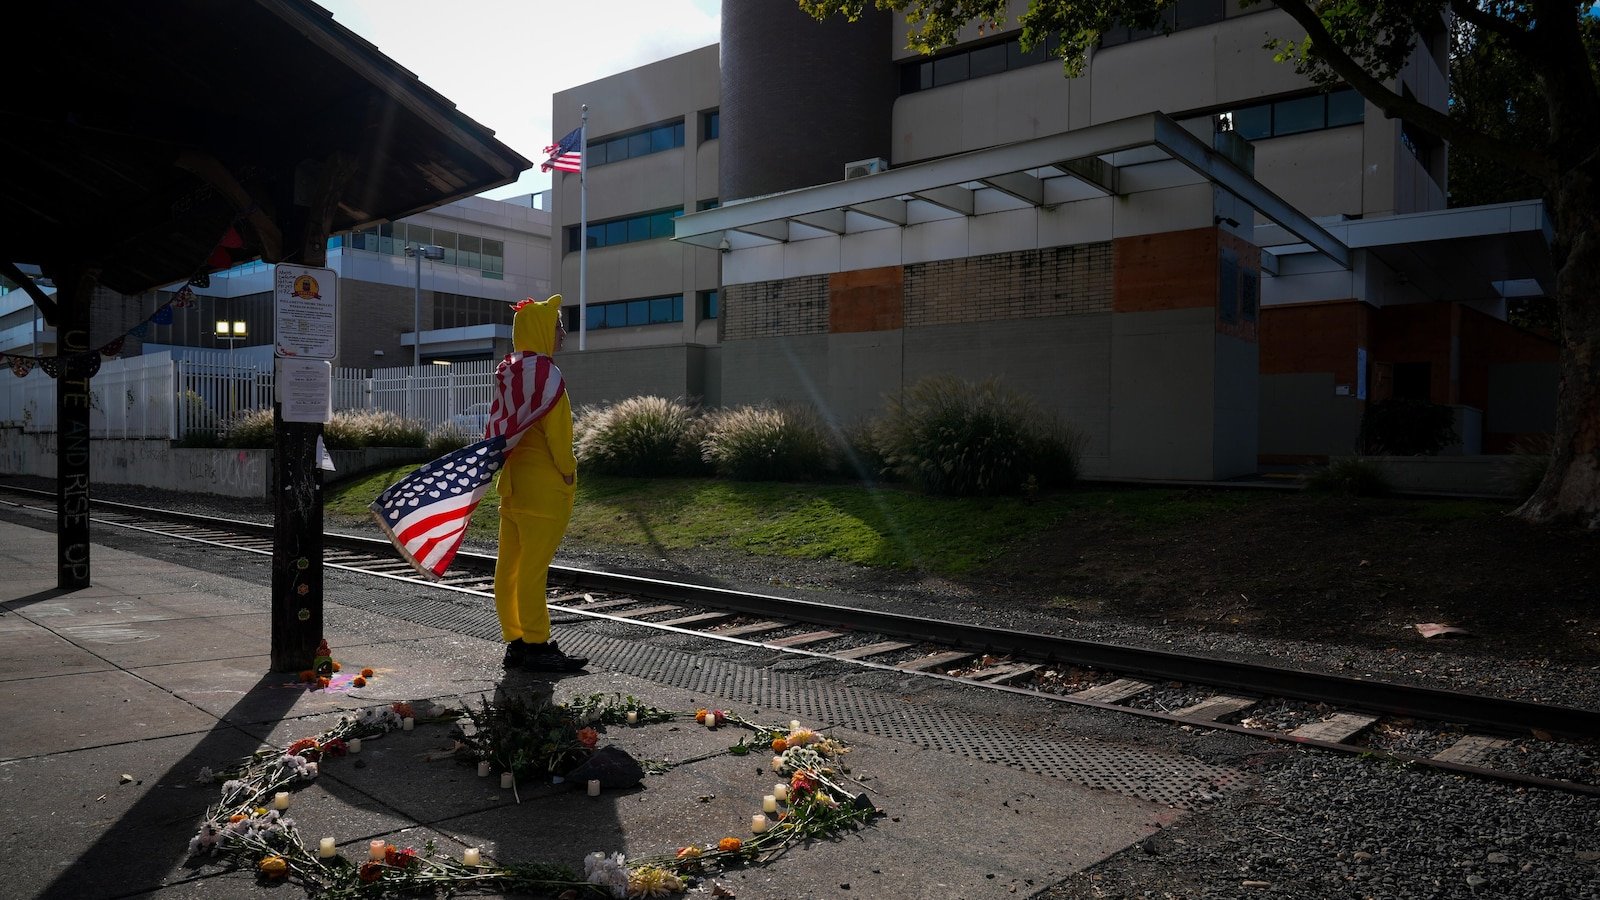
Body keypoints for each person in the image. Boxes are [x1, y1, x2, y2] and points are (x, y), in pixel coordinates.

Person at [491, 295, 586, 672]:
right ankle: (537, 644)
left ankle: (515, 641)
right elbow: (559, 436)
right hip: (545, 489)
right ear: (542, 331)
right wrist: (568, 471)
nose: (562, 334)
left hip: (512, 486)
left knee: (508, 570)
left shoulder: (508, 371)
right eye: (557, 326)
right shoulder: (548, 375)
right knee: (533, 571)